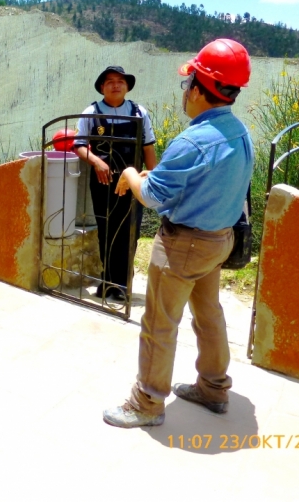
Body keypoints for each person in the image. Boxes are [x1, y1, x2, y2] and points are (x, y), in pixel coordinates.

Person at [103, 39, 254, 428]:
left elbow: (151, 197)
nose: (185, 92)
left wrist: (131, 174)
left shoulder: (191, 140)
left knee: (159, 323)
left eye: (188, 84)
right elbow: (209, 182)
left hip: (183, 245)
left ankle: (147, 402)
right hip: (219, 240)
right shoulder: (240, 133)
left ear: (201, 89)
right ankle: (214, 387)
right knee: (209, 315)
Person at [73, 66, 157, 301]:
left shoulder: (140, 112)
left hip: (133, 182)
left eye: (121, 81)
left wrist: (152, 175)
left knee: (131, 232)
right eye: (110, 81)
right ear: (102, 87)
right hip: (103, 183)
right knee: (106, 231)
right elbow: (79, 144)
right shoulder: (91, 112)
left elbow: (148, 146)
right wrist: (96, 162)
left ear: (127, 86)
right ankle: (108, 282)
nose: (116, 85)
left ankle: (122, 285)